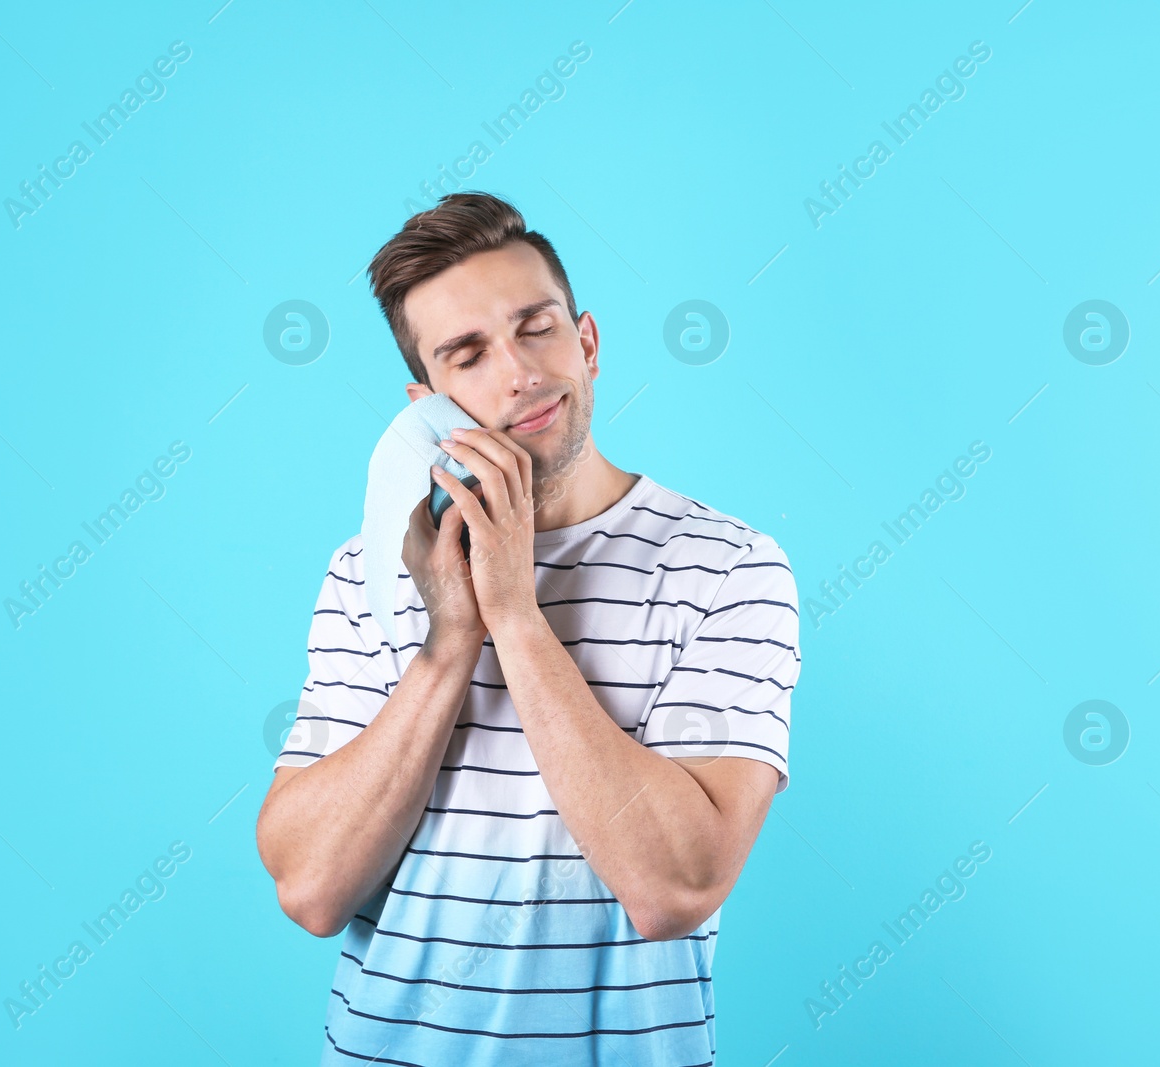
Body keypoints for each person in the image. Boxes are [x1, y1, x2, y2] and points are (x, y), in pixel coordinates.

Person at [255, 191, 801, 1066]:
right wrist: (447, 644)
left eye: (536, 328)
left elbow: (674, 886)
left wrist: (513, 613)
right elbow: (313, 887)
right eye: (468, 355)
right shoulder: (373, 570)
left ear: (586, 343)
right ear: (425, 403)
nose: (519, 373)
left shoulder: (729, 567)